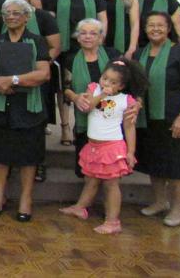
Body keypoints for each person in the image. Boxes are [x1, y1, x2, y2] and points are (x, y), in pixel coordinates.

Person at [0, 0, 51, 222]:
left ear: (27, 17)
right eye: (7, 13)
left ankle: (25, 198)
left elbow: (43, 74)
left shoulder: (37, 42)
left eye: (16, 13)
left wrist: (13, 80)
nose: (11, 16)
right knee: (0, 153)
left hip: (28, 107)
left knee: (28, 156)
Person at [60, 58, 148, 234]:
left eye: (113, 82)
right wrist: (102, 94)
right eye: (105, 78)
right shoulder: (93, 89)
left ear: (121, 86)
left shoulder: (127, 101)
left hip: (112, 148)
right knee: (91, 180)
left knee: (111, 185)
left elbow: (129, 128)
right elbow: (87, 107)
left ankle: (113, 220)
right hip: (93, 146)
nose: (106, 83)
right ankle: (81, 207)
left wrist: (130, 152)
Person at [134, 11, 180, 227]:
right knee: (155, 161)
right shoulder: (139, 55)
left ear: (168, 28)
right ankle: (159, 201)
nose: (155, 29)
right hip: (149, 118)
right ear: (145, 29)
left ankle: (177, 207)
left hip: (175, 117)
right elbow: (137, 85)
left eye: (160, 25)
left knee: (177, 165)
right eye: (151, 25)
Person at [36, 0, 108, 146]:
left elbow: (103, 19)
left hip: (90, 46)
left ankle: (86, 126)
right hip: (66, 48)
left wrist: (100, 41)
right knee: (65, 88)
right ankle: (66, 126)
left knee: (92, 85)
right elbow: (45, 16)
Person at [6, 0, 62, 181]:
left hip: (37, 81)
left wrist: (41, 66)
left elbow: (55, 46)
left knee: (35, 127)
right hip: (9, 83)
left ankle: (38, 163)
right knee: (10, 125)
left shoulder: (43, 17)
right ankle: (11, 161)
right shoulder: (5, 18)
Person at [62, 19, 122, 177]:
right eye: (83, 33)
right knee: (86, 167)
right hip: (84, 116)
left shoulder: (113, 55)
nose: (87, 37)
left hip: (111, 116)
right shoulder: (70, 59)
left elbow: (126, 82)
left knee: (108, 167)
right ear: (78, 37)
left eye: (93, 33)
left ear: (101, 37)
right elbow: (66, 88)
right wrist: (75, 97)